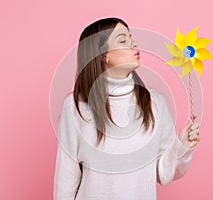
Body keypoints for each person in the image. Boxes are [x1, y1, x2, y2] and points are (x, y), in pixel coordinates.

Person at [53, 17, 201, 200]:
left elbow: (164, 173)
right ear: (102, 55)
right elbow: (65, 180)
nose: (134, 43)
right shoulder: (76, 107)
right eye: (123, 40)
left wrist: (182, 145)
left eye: (131, 38)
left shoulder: (155, 103)